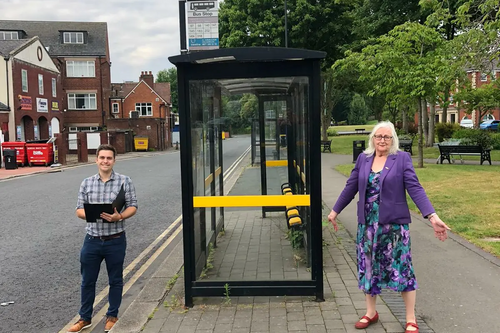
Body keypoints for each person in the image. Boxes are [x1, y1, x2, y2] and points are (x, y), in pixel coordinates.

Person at [328, 121, 450, 333]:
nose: (382, 140)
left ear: (392, 139)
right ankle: (370, 312)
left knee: (403, 270)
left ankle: (410, 318)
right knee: (368, 268)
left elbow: (415, 188)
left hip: (394, 227)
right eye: (378, 136)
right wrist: (334, 211)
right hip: (367, 226)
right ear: (372, 139)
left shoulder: (401, 159)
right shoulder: (363, 159)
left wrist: (432, 216)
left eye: (387, 137)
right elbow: (351, 187)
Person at [69, 144, 138, 333]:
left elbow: (133, 206)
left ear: (114, 160)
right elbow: (78, 210)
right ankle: (84, 318)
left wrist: (120, 216)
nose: (105, 161)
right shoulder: (86, 183)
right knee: (87, 281)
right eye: (102, 158)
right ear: (96, 160)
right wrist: (92, 214)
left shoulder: (125, 181)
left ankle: (112, 316)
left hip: (115, 239)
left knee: (115, 280)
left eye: (109, 158)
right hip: (92, 239)